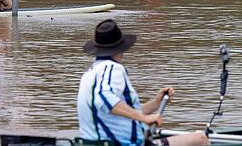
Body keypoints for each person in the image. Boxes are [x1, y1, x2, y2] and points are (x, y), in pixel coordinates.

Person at [77, 19, 208, 146]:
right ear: (120, 48)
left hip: (95, 142)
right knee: (200, 139)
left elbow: (124, 111)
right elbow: (103, 98)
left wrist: (156, 102)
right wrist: (144, 119)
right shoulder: (113, 68)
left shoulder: (90, 73)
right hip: (123, 143)